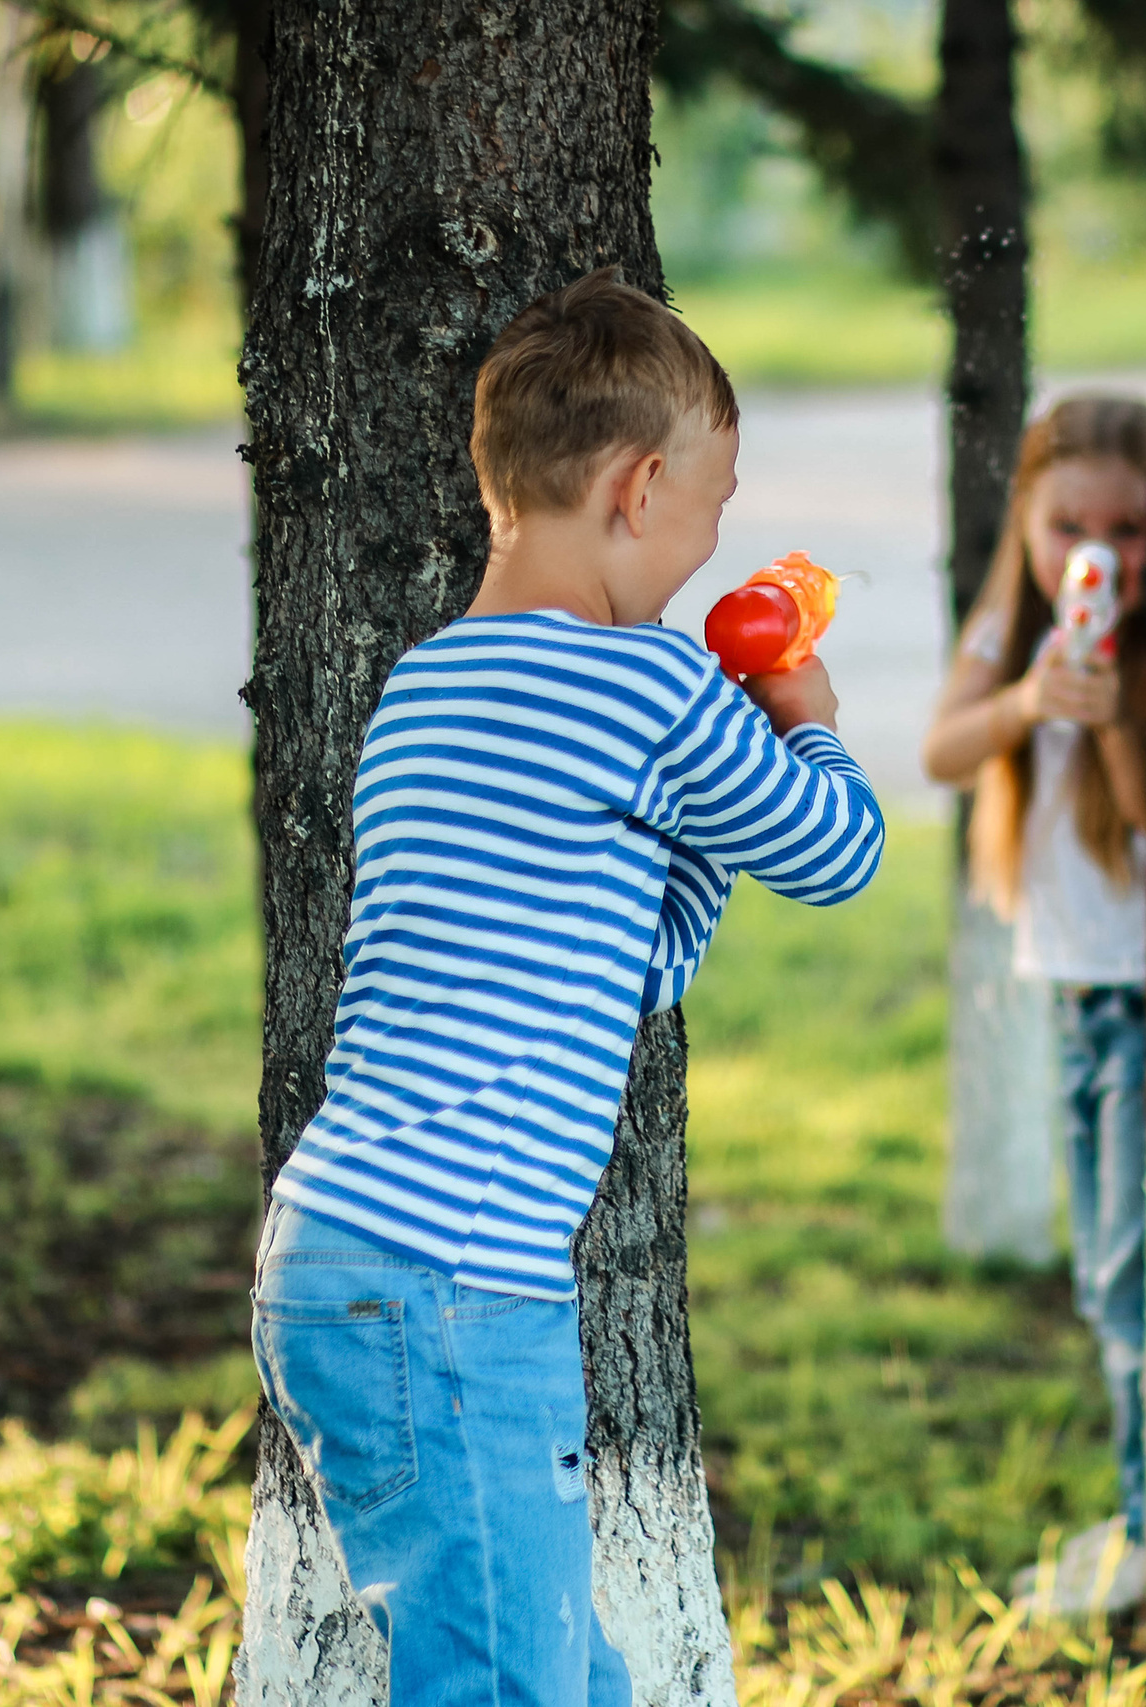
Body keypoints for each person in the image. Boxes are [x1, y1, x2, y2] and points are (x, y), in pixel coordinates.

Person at [249, 267, 884, 1707]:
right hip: (461, 1286)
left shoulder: (428, 684)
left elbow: (633, 963)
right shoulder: (649, 690)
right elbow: (841, 854)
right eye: (716, 506)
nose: (715, 542)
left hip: (344, 1255)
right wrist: (805, 725)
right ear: (642, 486)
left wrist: (701, 814)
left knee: (557, 1674)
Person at [921, 394, 1146, 1590]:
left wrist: (1111, 709)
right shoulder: (1015, 615)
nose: (1094, 554)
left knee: (1127, 1281)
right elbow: (940, 750)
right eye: (1066, 522)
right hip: (1069, 993)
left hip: (1140, 1002)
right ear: (1023, 515)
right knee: (1102, 1275)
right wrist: (1032, 695)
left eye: (1125, 529)